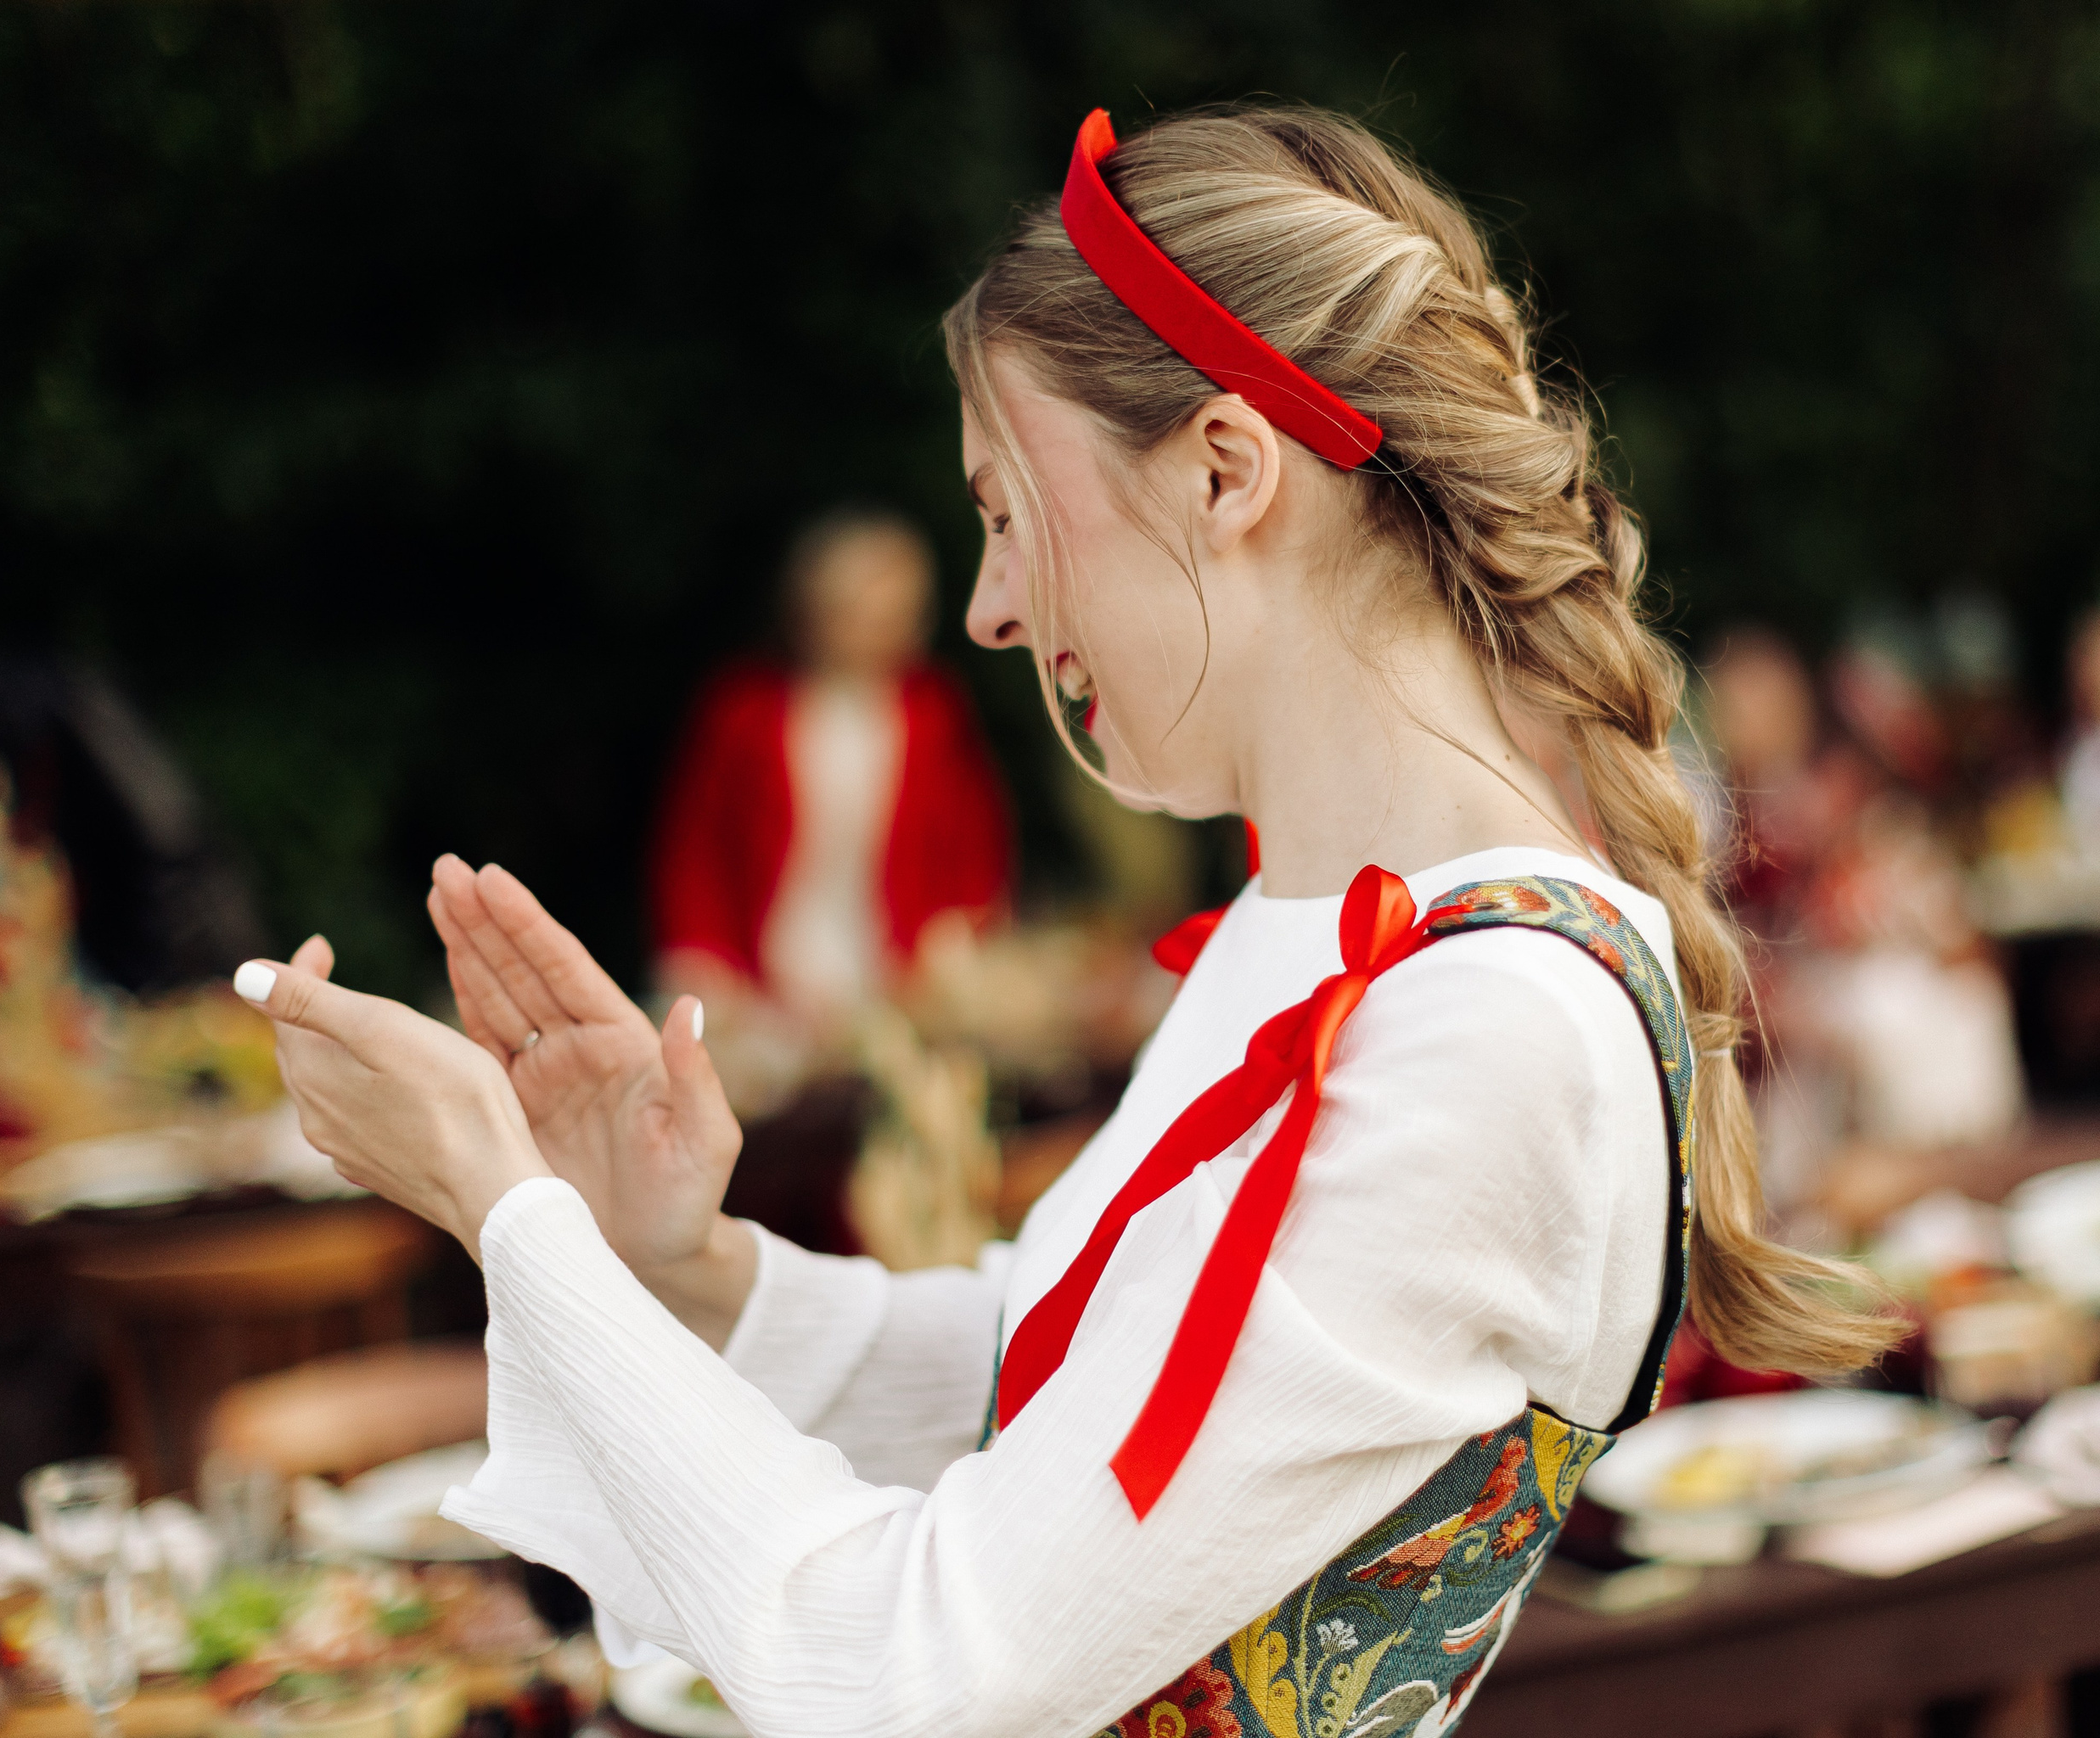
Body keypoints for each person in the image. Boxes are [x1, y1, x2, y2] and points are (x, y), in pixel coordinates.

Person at [233, 106, 1894, 1735]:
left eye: (1006, 508)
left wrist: (509, 1212)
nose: (988, 605)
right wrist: (682, 1261)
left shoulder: (1484, 1024)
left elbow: (936, 1674)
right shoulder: (1344, 938)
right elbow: (1057, 1383)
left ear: (1225, 470)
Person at [651, 510, 1012, 1039]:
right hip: (758, 978)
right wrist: (702, 955)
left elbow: (974, 839)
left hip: (898, 977)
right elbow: (696, 851)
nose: (875, 632)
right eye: (857, 613)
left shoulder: (935, 711)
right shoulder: (743, 711)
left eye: (894, 614)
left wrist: (956, 938)